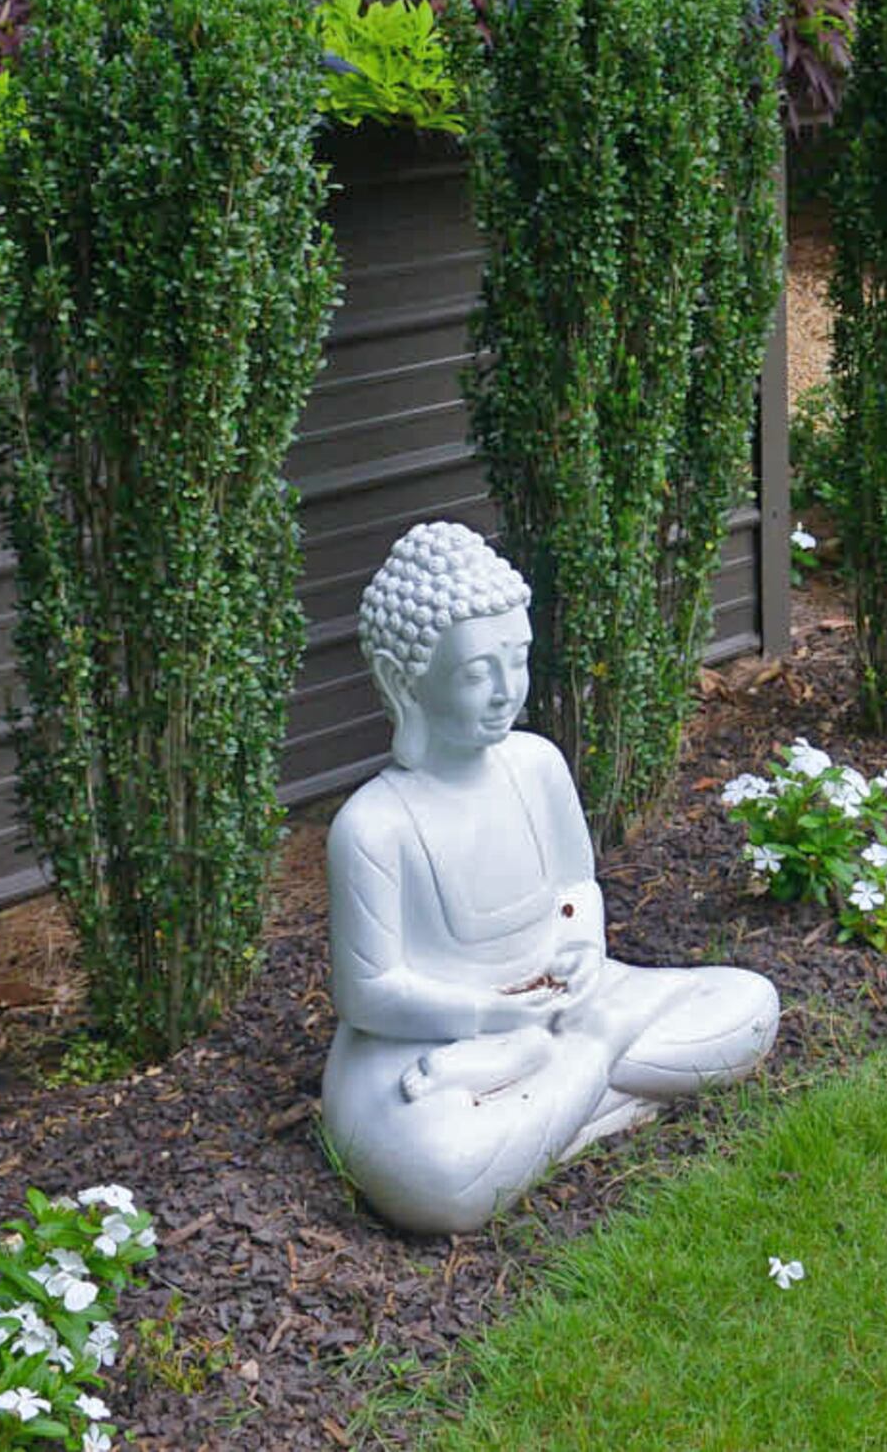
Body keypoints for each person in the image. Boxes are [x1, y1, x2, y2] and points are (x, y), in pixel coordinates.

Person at [322, 523, 777, 1234]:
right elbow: (369, 995)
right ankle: (593, 1068)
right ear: (402, 679)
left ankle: (550, 1093)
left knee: (750, 1004)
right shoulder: (374, 825)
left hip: (568, 998)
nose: (508, 690)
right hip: (428, 1047)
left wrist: (584, 947)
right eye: (477, 671)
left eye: (518, 659)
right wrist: (492, 1016)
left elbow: (575, 887)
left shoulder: (535, 764)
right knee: (438, 1173)